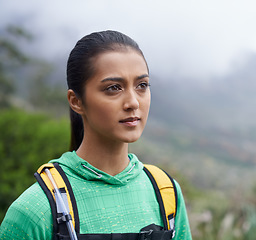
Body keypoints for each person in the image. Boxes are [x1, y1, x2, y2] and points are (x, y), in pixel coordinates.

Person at [0, 30, 192, 240]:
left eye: (142, 85)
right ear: (76, 101)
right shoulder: (35, 211)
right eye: (113, 88)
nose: (133, 102)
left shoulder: (166, 192)